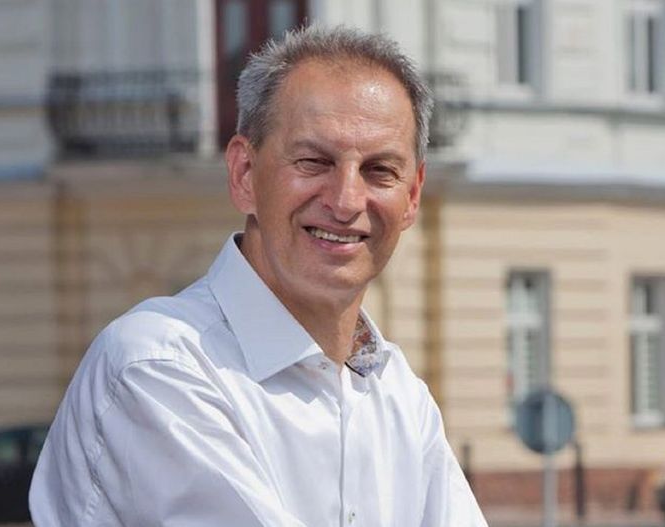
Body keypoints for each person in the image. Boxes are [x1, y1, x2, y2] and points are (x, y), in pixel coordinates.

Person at [29, 25, 488, 526]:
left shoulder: (398, 394)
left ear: (412, 196)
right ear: (244, 174)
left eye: (379, 170)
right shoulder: (157, 364)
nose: (346, 201)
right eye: (314, 162)